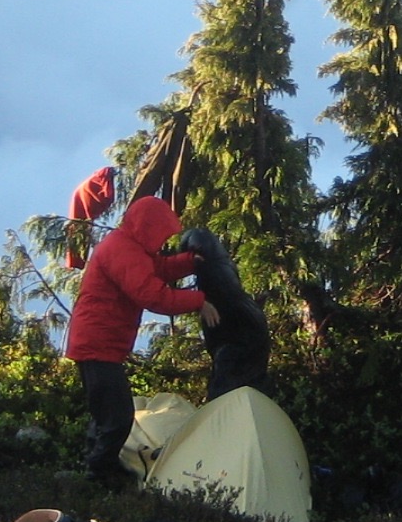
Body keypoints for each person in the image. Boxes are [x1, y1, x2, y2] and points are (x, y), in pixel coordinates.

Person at [65, 195, 213, 486]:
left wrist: (188, 263)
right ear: (147, 228)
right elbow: (153, 294)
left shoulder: (129, 247)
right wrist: (199, 301)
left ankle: (95, 467)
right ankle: (100, 474)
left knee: (104, 411)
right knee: (118, 416)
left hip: (97, 344)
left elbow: (155, 270)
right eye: (159, 233)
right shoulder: (122, 251)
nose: (161, 241)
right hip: (99, 345)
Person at [178, 225, 271, 401]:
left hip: (237, 343)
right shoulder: (223, 267)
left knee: (227, 392)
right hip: (247, 333)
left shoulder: (213, 274)